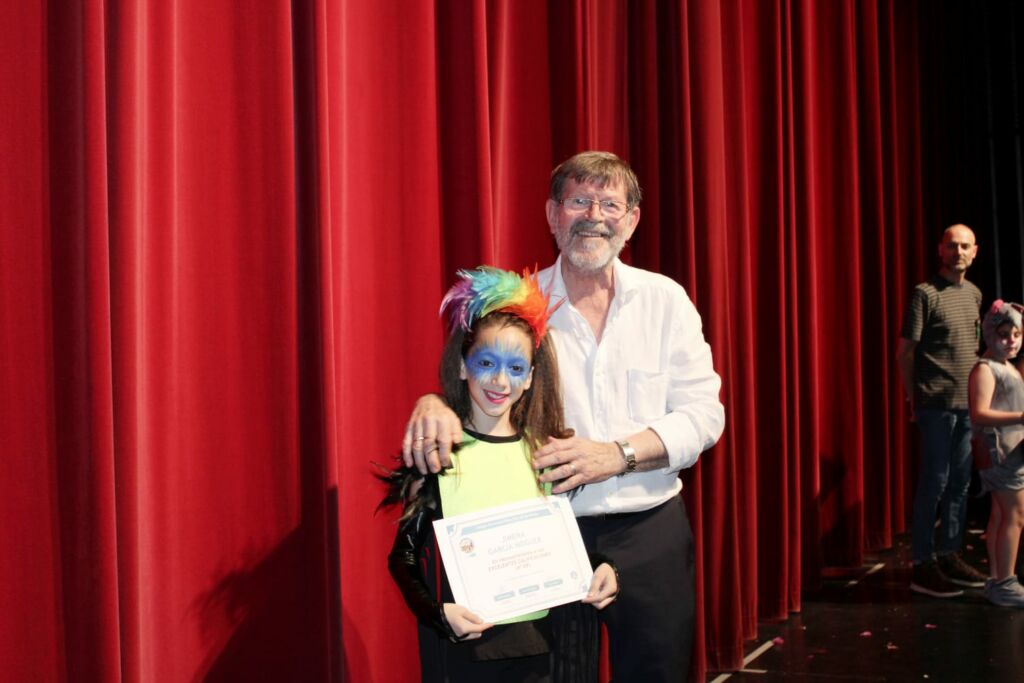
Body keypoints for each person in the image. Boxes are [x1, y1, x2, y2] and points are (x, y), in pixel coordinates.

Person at [403, 152, 725, 681]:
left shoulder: (666, 301)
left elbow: (704, 415)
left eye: (609, 204)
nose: (594, 215)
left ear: (632, 220)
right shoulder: (519, 305)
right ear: (553, 215)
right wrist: (433, 403)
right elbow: (473, 378)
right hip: (541, 533)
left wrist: (617, 455)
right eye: (579, 201)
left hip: (650, 530)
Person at [382, 266, 619, 682]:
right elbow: (403, 557)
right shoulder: (440, 454)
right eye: (487, 362)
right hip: (465, 652)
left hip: (539, 649)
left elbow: (563, 548)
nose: (499, 380)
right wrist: (438, 614)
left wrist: (602, 568)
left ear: (529, 378)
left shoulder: (545, 454)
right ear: (463, 367)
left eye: (515, 368)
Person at [897, 224, 988, 597]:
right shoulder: (925, 294)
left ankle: (949, 553)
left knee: (960, 482)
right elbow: (905, 352)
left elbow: (974, 348)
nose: (959, 252)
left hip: (968, 406)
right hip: (936, 405)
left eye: (965, 246)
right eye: (952, 245)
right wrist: (913, 398)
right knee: (934, 481)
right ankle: (923, 563)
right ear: (940, 249)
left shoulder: (975, 293)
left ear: (975, 251)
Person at [969, 300, 1024, 607]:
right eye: (1004, 335)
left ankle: (997, 579)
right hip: (999, 453)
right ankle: (1005, 583)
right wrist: (1021, 417)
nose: (1011, 341)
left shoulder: (1007, 367)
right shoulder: (986, 369)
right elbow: (979, 413)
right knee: (1015, 516)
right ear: (990, 334)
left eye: (1016, 334)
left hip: (1009, 451)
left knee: (1001, 515)